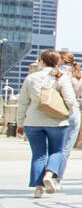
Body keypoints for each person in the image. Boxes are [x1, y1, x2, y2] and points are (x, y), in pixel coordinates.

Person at [15, 50, 77, 196]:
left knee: (38, 155)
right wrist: (68, 114)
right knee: (56, 151)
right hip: (57, 121)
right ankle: (49, 176)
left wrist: (20, 123)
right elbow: (70, 100)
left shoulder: (31, 78)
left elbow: (23, 102)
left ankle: (38, 188)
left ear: (41, 61)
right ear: (57, 62)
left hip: (33, 121)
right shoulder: (61, 77)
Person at [54, 51, 82, 180]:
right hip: (74, 110)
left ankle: (48, 172)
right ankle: (58, 177)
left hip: (55, 110)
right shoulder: (79, 77)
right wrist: (80, 105)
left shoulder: (57, 76)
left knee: (53, 146)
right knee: (66, 148)